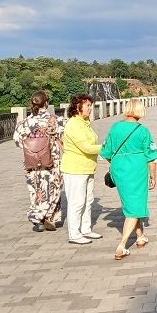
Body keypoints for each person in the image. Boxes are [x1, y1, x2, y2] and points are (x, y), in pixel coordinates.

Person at [101, 99, 157, 260]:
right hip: (137, 169)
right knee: (135, 206)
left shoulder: (115, 127)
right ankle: (122, 245)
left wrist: (117, 164)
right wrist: (153, 175)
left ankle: (140, 236)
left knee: (132, 202)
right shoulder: (143, 131)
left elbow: (106, 151)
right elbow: (151, 156)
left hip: (119, 169)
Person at [13, 91, 65, 232]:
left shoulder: (24, 123)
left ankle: (38, 218)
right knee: (54, 188)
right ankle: (49, 217)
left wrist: (34, 147)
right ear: (46, 103)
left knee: (36, 190)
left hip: (32, 162)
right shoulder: (55, 120)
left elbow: (17, 142)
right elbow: (64, 137)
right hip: (52, 161)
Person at [60, 94, 103, 244]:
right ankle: (74, 233)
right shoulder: (73, 124)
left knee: (88, 200)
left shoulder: (85, 123)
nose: (90, 108)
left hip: (87, 168)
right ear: (77, 107)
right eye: (87, 106)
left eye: (91, 105)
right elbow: (86, 147)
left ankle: (86, 229)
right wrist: (106, 148)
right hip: (75, 169)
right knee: (76, 202)